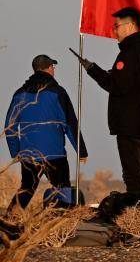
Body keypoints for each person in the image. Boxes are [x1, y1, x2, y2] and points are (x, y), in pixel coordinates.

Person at [81, 7, 140, 195]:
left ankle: (136, 215)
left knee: (132, 175)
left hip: (129, 123)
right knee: (137, 172)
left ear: (130, 26)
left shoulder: (130, 52)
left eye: (117, 26)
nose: (114, 30)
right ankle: (139, 215)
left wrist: (93, 70)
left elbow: (117, 85)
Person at [5, 55, 89, 210]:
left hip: (29, 154)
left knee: (27, 189)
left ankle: (9, 222)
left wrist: (16, 152)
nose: (54, 70)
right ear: (49, 68)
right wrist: (81, 151)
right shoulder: (58, 93)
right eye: (53, 67)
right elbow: (70, 124)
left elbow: (9, 127)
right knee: (62, 189)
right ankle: (58, 225)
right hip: (54, 154)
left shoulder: (19, 94)